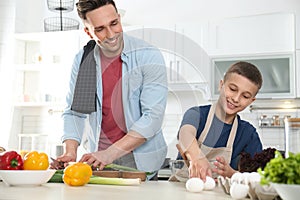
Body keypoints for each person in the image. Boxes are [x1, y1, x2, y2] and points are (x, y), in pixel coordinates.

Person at [55, 0, 168, 180]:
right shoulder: (83, 61)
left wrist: (109, 154)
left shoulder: (148, 55)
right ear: (88, 32)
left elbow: (152, 118)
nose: (111, 34)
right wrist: (70, 151)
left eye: (114, 24)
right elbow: (74, 112)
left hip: (139, 162)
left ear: (119, 18)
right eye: (100, 29)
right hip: (98, 160)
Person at [177, 61, 263, 181]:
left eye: (245, 96)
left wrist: (232, 174)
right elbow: (185, 134)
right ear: (221, 85)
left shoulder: (248, 134)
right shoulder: (197, 115)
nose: (236, 98)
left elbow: (257, 178)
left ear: (251, 101)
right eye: (233, 89)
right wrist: (197, 157)